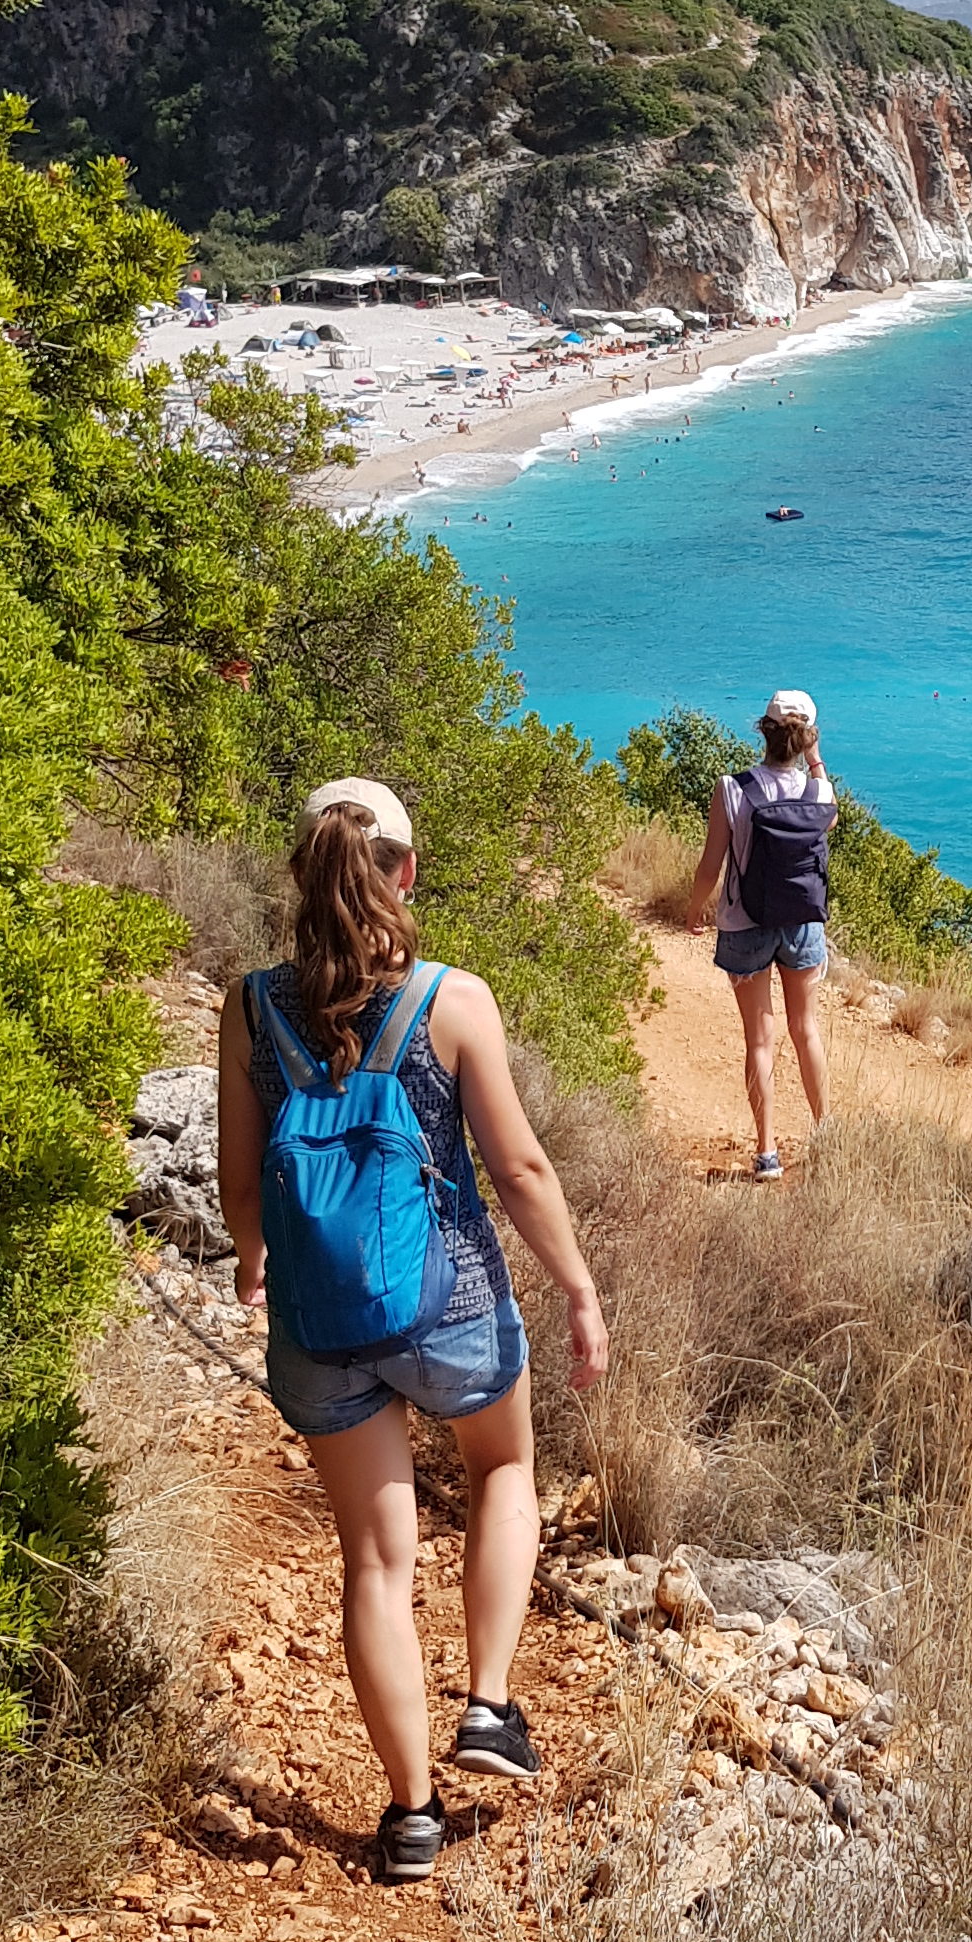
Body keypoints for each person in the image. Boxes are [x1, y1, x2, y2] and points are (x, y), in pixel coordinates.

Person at [217, 778, 610, 1884]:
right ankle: (488, 1705)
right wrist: (577, 1288)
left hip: (315, 1324)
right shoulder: (452, 999)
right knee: (500, 1469)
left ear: (303, 872)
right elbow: (521, 1170)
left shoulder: (249, 1006)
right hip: (451, 1305)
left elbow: (239, 1184)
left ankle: (410, 1816)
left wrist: (256, 1262)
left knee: (376, 1563)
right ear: (404, 872)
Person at [687, 688, 835, 1179]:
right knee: (805, 1029)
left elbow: (712, 864)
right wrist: (816, 761)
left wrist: (693, 910)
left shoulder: (733, 789)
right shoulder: (820, 795)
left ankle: (767, 1152)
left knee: (760, 1040)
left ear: (763, 731)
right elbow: (826, 810)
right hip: (802, 924)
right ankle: (827, 1135)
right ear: (808, 739)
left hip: (743, 923)